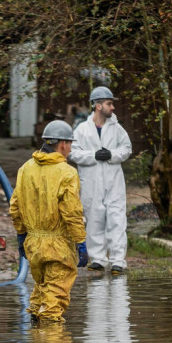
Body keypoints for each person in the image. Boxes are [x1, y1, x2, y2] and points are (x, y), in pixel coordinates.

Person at [9, 120, 88, 324]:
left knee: (41, 295)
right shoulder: (67, 172)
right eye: (70, 144)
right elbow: (72, 213)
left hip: (34, 244)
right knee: (53, 306)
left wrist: (21, 235)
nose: (70, 149)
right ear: (62, 144)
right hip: (57, 247)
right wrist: (80, 242)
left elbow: (15, 207)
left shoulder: (25, 169)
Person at [68, 86, 132, 275]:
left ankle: (118, 260)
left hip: (113, 183)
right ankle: (98, 259)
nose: (112, 108)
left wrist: (111, 155)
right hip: (91, 182)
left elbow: (127, 149)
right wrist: (94, 155)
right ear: (98, 106)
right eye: (109, 103)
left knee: (117, 219)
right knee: (94, 218)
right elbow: (73, 152)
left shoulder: (117, 128)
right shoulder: (82, 130)